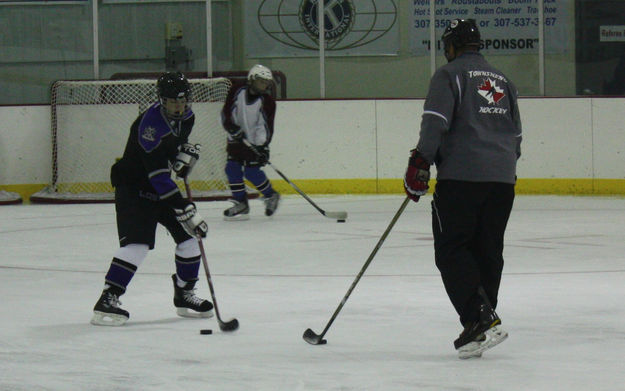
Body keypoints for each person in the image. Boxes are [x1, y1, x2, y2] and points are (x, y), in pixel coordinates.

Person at [403, 19, 522, 359]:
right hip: (502, 181)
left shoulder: (449, 75)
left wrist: (421, 162)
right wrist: (502, 166)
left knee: (452, 248)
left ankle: (478, 317)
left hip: (461, 179)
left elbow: (435, 123)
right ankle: (482, 322)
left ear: (451, 46)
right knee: (488, 250)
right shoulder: (504, 81)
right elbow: (516, 137)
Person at [91, 71, 213, 326]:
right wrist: (184, 206)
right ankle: (108, 298)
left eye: (182, 101)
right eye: (172, 102)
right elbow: (157, 176)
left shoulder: (188, 117)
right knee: (137, 245)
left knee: (190, 238)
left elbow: (170, 153)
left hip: (159, 187)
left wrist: (181, 157)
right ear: (161, 100)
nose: (179, 107)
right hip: (134, 187)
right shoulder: (149, 125)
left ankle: (184, 293)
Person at [220, 64, 280, 221]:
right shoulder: (236, 91)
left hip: (253, 142)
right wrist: (232, 128)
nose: (265, 85)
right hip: (235, 139)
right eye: (262, 81)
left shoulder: (268, 102)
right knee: (231, 169)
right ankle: (241, 202)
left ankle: (271, 195)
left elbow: (265, 127)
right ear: (252, 79)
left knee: (251, 172)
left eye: (267, 82)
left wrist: (261, 146)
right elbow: (226, 112)